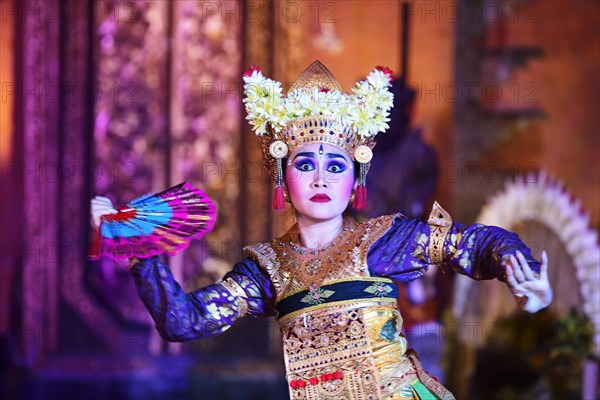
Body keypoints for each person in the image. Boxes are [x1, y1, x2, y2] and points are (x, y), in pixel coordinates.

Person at [91, 61, 552, 399]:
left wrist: (519, 268)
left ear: (355, 179)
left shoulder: (385, 240)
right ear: (282, 176)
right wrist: (138, 245)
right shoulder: (265, 271)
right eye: (304, 163)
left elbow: (471, 243)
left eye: (336, 166)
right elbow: (184, 321)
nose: (320, 179)